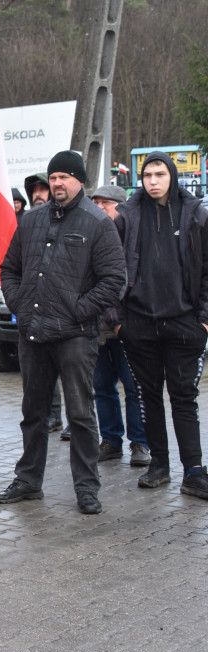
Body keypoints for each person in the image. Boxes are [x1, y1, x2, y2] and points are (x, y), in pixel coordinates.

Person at [0, 151, 125, 515]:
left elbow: (115, 280)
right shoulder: (32, 220)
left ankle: (86, 487)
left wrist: (78, 309)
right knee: (33, 412)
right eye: (53, 178)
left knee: (81, 414)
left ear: (79, 181)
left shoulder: (98, 222)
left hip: (75, 336)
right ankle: (28, 481)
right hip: (34, 334)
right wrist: (19, 304)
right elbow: (9, 269)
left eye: (64, 177)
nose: (56, 184)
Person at [107, 152, 208, 499]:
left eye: (159, 174)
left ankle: (194, 472)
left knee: (184, 400)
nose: (152, 181)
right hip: (139, 326)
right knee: (148, 398)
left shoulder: (196, 214)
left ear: (172, 177)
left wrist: (204, 321)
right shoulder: (126, 217)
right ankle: (159, 466)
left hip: (185, 324)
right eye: (147, 175)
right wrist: (118, 323)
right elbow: (108, 271)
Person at [88, 185, 150, 467]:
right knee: (102, 386)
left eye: (106, 204)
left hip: (127, 326)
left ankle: (140, 443)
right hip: (96, 327)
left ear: (120, 207)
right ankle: (111, 440)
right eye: (96, 203)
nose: (100, 208)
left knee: (135, 387)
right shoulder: (91, 236)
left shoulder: (134, 238)